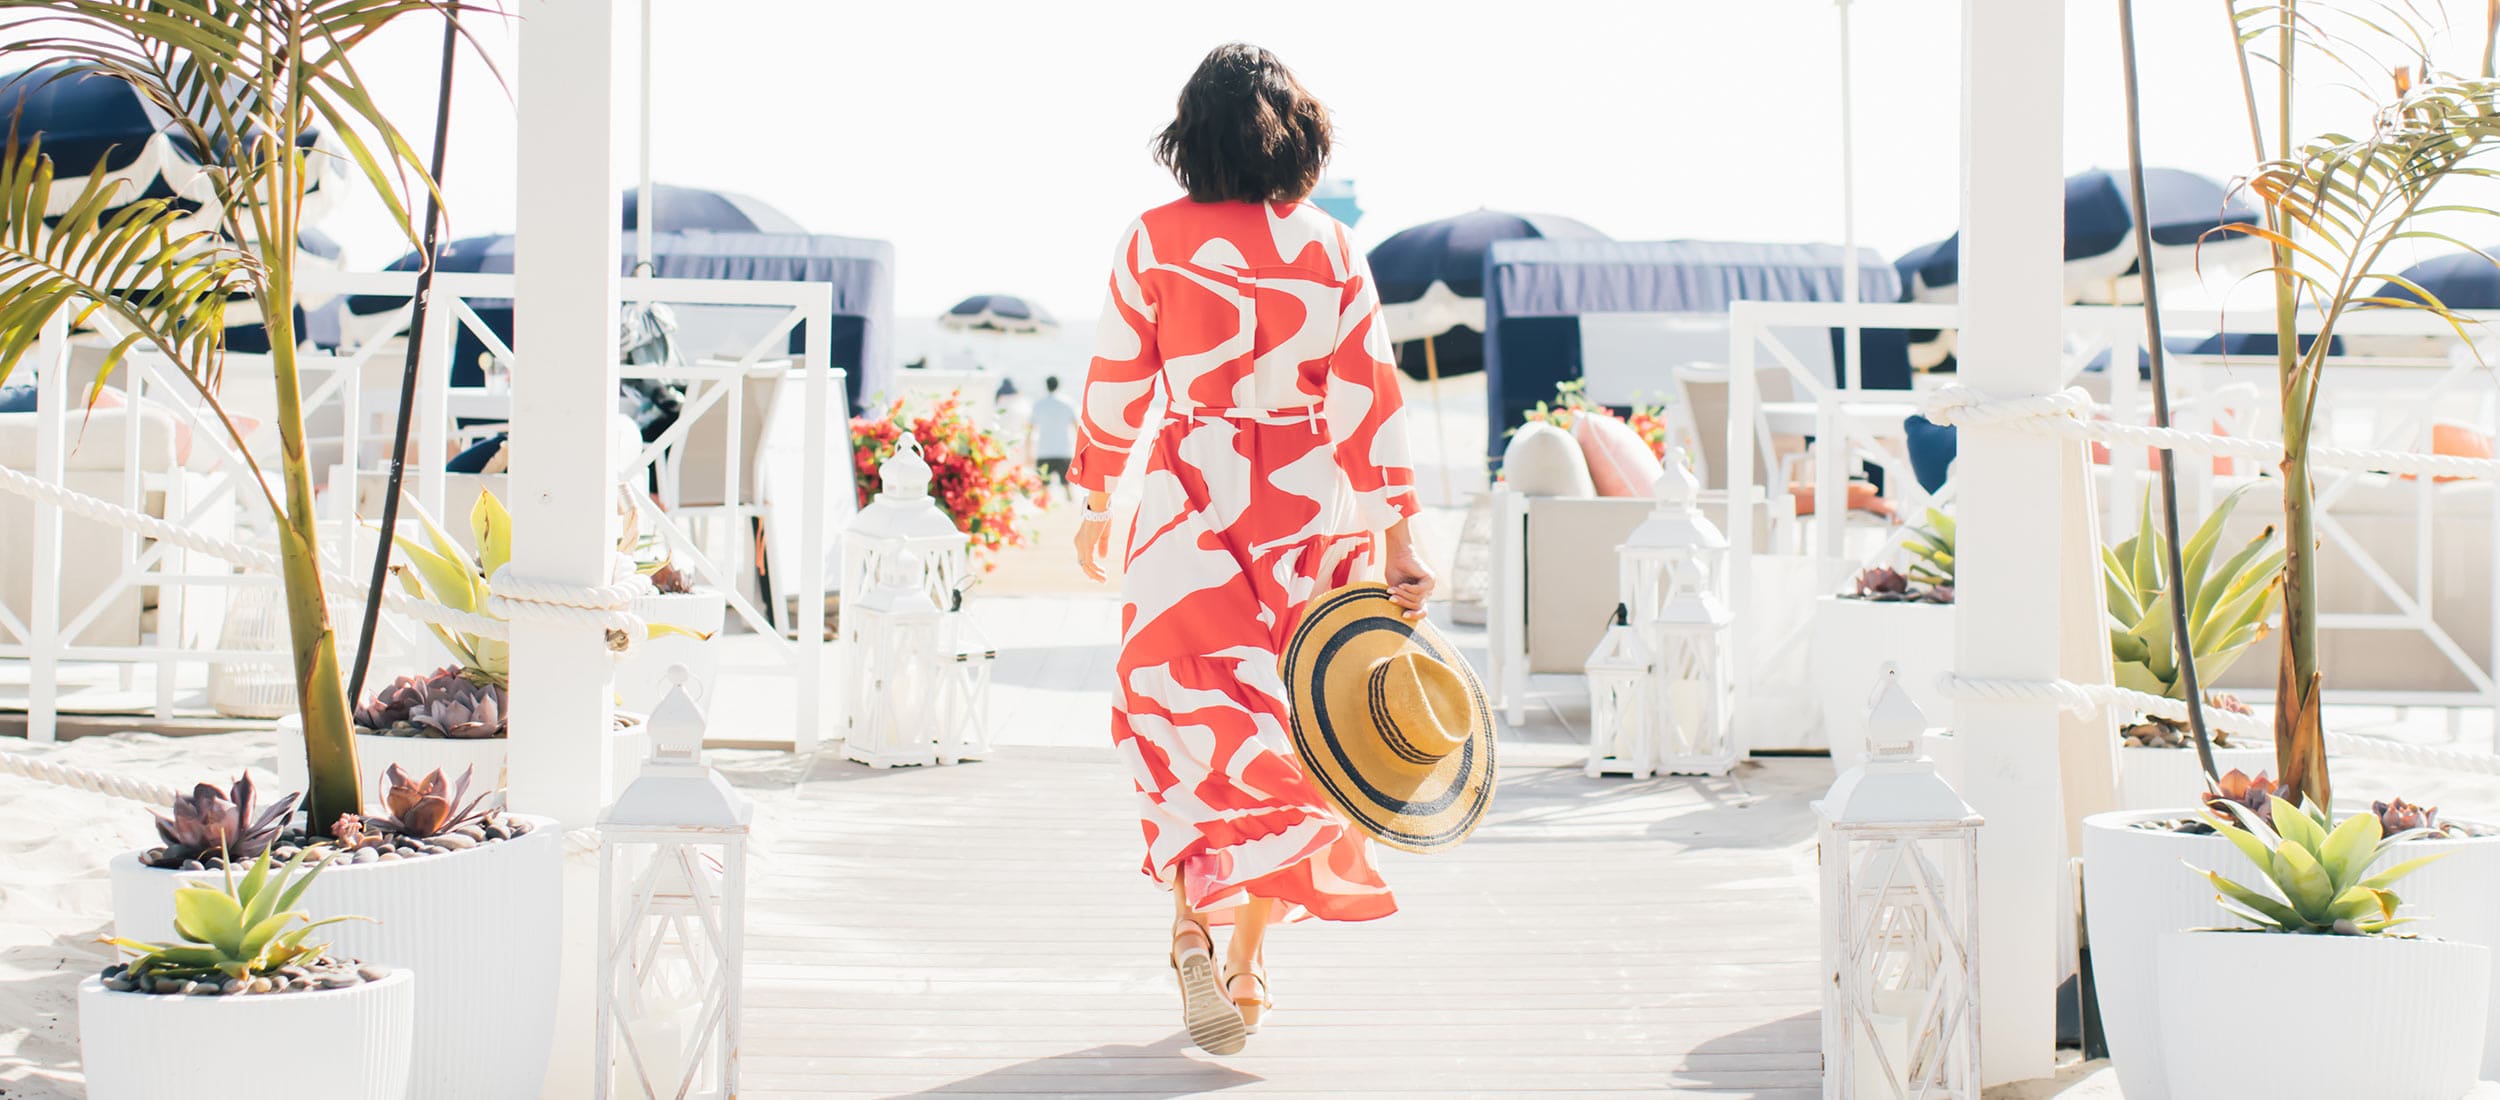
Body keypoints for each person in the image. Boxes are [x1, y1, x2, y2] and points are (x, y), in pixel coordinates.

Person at [1068, 42, 1434, 1056]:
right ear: (1300, 136)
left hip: (1187, 501)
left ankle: (1189, 914)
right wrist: (1401, 534)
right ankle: (1247, 959)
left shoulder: (1151, 239)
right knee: (1299, 732)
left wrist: (1097, 495)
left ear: (1189, 139)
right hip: (1307, 511)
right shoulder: (1330, 246)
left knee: (1183, 713)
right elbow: (1372, 398)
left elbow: (1114, 379)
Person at [1025, 374, 1076, 501]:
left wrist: (1028, 453)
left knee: (1043, 490)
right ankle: (1071, 512)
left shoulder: (1039, 404)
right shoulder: (1068, 403)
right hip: (1064, 450)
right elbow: (1077, 427)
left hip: (1044, 451)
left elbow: (1030, 431)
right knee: (1067, 487)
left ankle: (1045, 513)